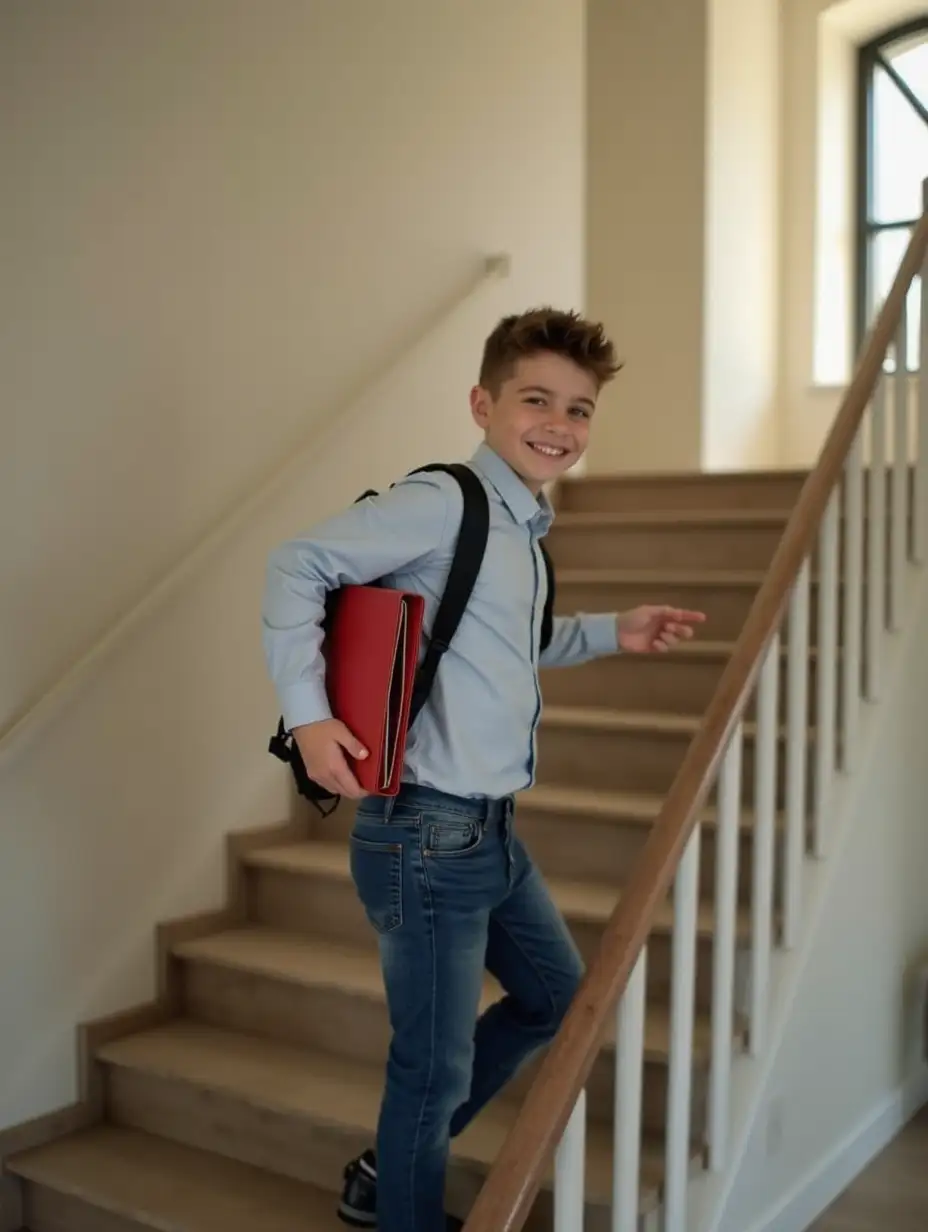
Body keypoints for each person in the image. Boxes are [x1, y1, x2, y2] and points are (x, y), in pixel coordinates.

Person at [261, 307, 705, 1232]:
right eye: (536, 399)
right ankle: (402, 1207)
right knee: (434, 1066)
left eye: (579, 409)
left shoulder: (523, 528)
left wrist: (614, 631)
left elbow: (515, 639)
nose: (559, 424)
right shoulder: (447, 502)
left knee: (553, 997)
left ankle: (392, 1162)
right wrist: (307, 720)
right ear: (484, 401)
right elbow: (295, 563)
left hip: (489, 831)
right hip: (426, 832)